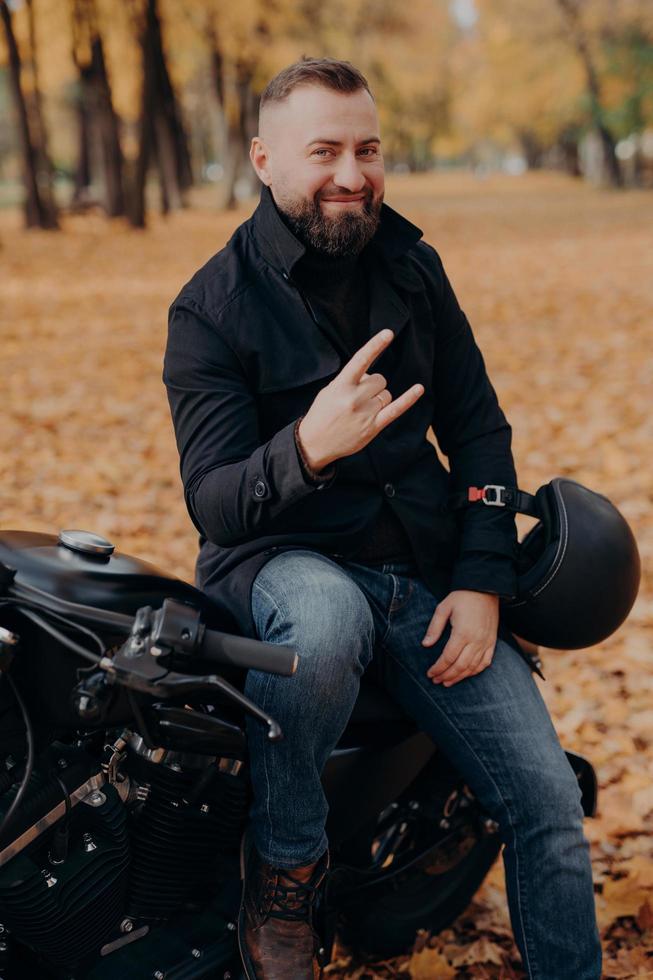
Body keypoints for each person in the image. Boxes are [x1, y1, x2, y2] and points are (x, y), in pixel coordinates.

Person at [163, 57, 602, 980]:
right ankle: (285, 870)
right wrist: (306, 450)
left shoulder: (412, 266)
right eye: (323, 150)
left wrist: (482, 580)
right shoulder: (209, 309)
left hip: (426, 575)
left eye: (367, 148)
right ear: (264, 160)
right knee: (326, 620)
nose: (351, 174)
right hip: (285, 563)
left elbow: (479, 430)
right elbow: (212, 501)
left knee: (548, 802)